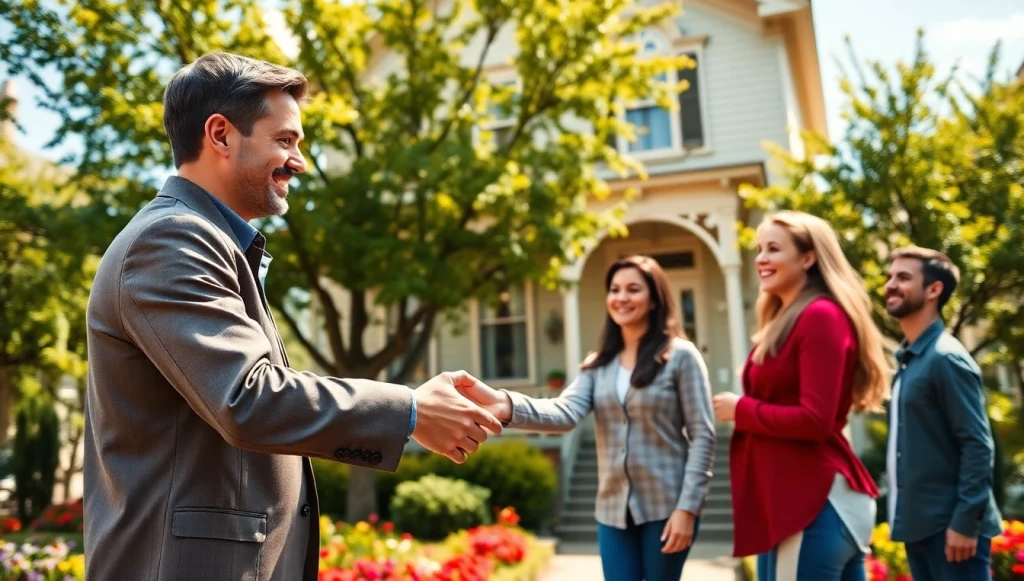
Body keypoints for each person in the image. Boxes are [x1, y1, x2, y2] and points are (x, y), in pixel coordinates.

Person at [82, 52, 502, 581]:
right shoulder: (171, 240)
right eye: (285, 141)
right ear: (221, 135)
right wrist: (411, 411)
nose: (299, 161)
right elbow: (249, 398)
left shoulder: (204, 241)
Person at [456, 255, 717, 581]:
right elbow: (564, 413)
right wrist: (504, 403)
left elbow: (703, 435)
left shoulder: (681, 357)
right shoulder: (598, 364)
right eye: (615, 289)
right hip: (612, 511)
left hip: (666, 507)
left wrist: (688, 509)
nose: (621, 297)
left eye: (633, 289)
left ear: (653, 299)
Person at [712, 210, 890, 581]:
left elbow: (815, 420)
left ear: (808, 257)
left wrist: (741, 409)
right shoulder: (788, 319)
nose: (761, 258)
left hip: (813, 504)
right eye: (759, 249)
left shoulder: (820, 316)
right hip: (800, 504)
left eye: (774, 249)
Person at [883, 245, 1002, 581]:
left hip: (952, 533)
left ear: (934, 289)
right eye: (890, 276)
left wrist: (965, 523)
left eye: (903, 277)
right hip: (920, 528)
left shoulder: (946, 358)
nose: (890, 284)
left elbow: (978, 444)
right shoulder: (909, 360)